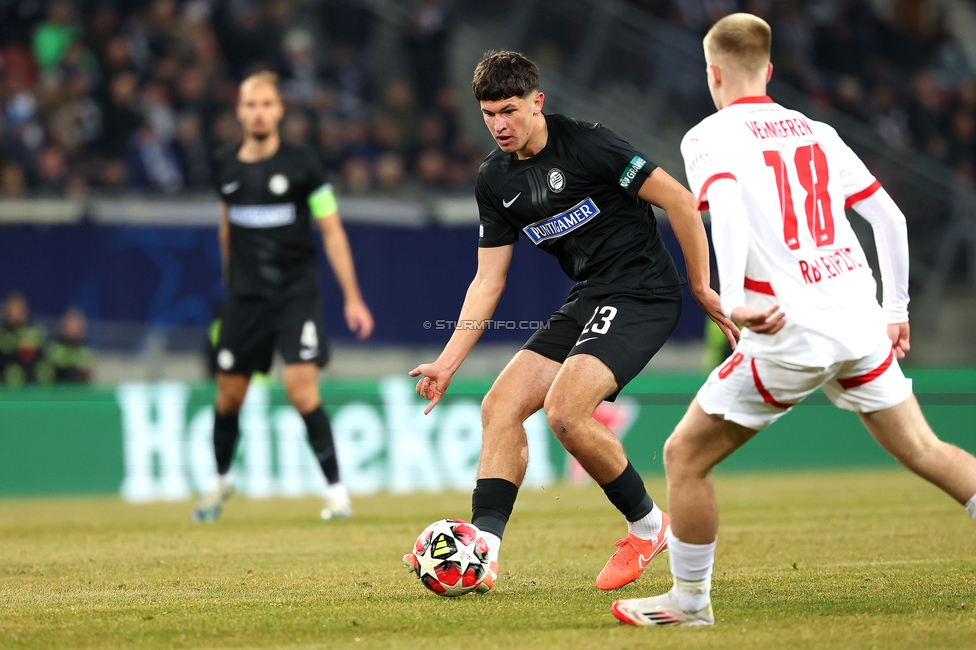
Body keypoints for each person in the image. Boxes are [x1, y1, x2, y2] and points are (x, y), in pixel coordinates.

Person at [611, 13, 976, 628]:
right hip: (858, 320)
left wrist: (731, 299)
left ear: (712, 72)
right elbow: (890, 219)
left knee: (683, 457)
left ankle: (689, 603)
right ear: (771, 70)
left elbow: (722, 202)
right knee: (925, 449)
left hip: (790, 328)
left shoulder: (707, 135)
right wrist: (896, 312)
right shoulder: (819, 131)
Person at [403, 51, 737, 593]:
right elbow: (487, 281)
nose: (499, 125)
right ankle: (483, 554)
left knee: (563, 412)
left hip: (644, 292)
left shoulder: (588, 144)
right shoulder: (493, 180)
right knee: (500, 408)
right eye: (488, 115)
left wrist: (700, 285)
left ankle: (649, 527)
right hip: (591, 296)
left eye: (509, 110)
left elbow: (679, 200)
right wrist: (447, 361)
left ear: (538, 102)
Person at [192, 71, 374, 524]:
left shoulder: (305, 166)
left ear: (279, 110)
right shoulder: (223, 164)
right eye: (250, 104)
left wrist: (353, 297)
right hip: (246, 297)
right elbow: (225, 223)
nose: (258, 112)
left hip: (295, 293)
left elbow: (331, 230)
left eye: (266, 104)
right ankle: (220, 481)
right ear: (239, 111)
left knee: (300, 388)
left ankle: (337, 492)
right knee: (228, 395)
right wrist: (231, 280)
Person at [0, 291, 48, 386]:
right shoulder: (2, 335)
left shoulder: (36, 334)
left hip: (31, 390)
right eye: (11, 309)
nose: (14, 313)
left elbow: (44, 365)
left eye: (19, 309)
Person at [45, 308, 93, 383]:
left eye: (78, 326)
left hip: (77, 392)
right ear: (64, 326)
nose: (74, 330)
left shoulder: (86, 351)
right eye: (72, 325)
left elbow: (86, 377)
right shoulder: (53, 347)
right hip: (55, 391)